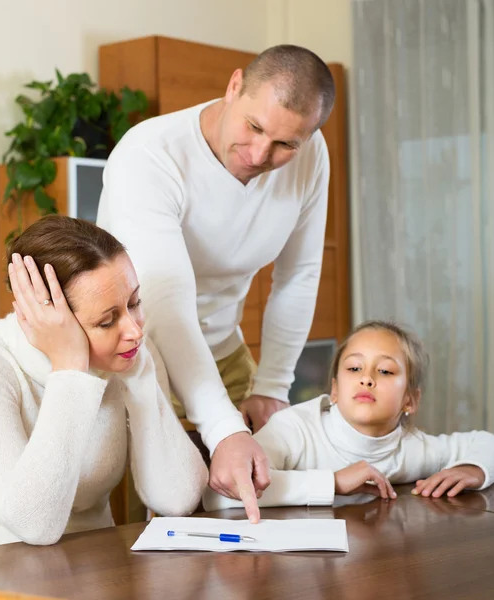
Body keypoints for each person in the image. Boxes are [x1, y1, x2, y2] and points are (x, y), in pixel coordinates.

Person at [97, 44, 336, 521]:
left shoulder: (310, 158)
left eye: (286, 145)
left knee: (257, 488)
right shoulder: (151, 155)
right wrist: (225, 430)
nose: (259, 155)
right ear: (233, 87)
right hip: (137, 352)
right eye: (254, 127)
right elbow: (165, 305)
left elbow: (299, 274)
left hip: (222, 346)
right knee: (162, 503)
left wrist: (272, 385)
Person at [0, 216, 208, 555]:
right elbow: (34, 525)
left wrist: (140, 374)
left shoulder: (128, 353)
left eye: (134, 303)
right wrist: (70, 369)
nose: (134, 330)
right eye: (107, 321)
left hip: (95, 576)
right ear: (47, 318)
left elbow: (176, 497)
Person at [203, 320, 494, 511]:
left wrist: (474, 469)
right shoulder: (294, 429)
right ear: (335, 389)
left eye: (384, 371)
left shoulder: (412, 447)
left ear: (410, 399)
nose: (366, 379)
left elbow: (486, 443)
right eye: (354, 368)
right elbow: (219, 494)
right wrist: (333, 483)